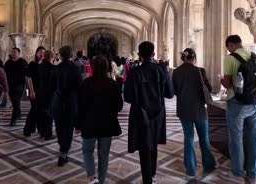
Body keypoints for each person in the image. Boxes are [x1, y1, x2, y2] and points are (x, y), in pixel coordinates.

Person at [124, 41, 174, 184]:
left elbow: (127, 97)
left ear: (139, 55)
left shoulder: (134, 72)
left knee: (144, 146)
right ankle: (152, 176)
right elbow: (170, 94)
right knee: (153, 144)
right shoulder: (161, 70)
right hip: (157, 114)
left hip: (141, 114)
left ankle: (148, 179)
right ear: (153, 55)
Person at [220, 35, 256, 184]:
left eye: (228, 47)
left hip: (237, 102)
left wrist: (221, 79)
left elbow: (226, 84)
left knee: (236, 138)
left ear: (231, 45)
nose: (229, 50)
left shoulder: (230, 58)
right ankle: (253, 175)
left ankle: (238, 173)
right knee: (255, 138)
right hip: (255, 103)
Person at [77, 56, 123, 184]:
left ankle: (92, 179)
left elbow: (80, 106)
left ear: (92, 67)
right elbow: (119, 106)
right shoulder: (112, 84)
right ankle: (101, 180)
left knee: (87, 151)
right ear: (106, 68)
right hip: (106, 124)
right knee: (103, 155)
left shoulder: (86, 83)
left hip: (89, 123)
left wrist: (77, 125)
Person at [172, 48, 216, 178]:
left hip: (183, 109)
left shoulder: (176, 72)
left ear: (183, 58)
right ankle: (208, 164)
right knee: (204, 138)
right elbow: (209, 89)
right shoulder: (200, 71)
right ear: (194, 58)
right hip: (199, 110)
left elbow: (174, 91)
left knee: (188, 137)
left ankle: (190, 168)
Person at [49, 46, 82, 166]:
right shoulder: (76, 68)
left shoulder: (55, 69)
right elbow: (80, 87)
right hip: (71, 102)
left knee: (58, 125)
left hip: (57, 100)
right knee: (68, 127)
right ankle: (63, 153)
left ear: (61, 56)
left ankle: (62, 146)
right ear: (71, 56)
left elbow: (51, 87)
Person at [23, 46, 45, 136]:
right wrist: (32, 91)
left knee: (41, 110)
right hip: (34, 90)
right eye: (40, 52)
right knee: (34, 110)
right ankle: (28, 129)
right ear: (36, 53)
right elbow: (29, 79)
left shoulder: (45, 64)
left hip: (43, 91)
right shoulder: (32, 64)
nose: (42, 54)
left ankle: (40, 129)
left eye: (43, 52)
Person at [4, 47, 28, 126]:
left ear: (19, 53)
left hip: (20, 84)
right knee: (14, 101)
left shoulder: (23, 62)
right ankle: (19, 113)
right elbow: (4, 74)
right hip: (10, 84)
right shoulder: (8, 62)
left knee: (16, 99)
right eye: (12, 52)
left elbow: (27, 73)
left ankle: (13, 119)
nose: (13, 53)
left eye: (15, 52)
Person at [39, 50, 56, 140]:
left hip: (41, 92)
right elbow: (54, 82)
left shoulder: (40, 66)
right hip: (49, 93)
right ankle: (48, 134)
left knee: (42, 112)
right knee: (49, 113)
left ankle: (42, 131)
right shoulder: (52, 67)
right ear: (52, 57)